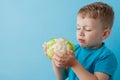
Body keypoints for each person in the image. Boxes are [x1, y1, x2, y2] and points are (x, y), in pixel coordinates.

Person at [43, 2, 118, 80]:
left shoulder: (106, 56)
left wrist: (74, 64)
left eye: (87, 29)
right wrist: (54, 57)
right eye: (78, 28)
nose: (80, 33)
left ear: (104, 34)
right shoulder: (74, 49)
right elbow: (62, 77)